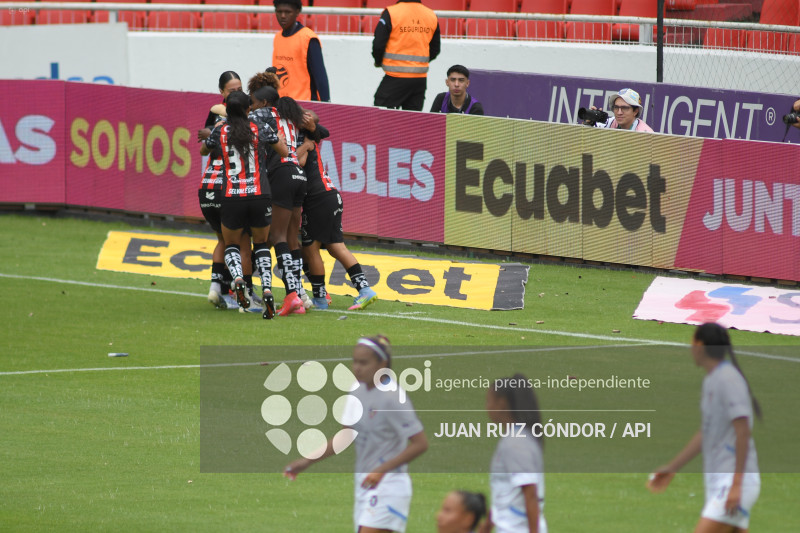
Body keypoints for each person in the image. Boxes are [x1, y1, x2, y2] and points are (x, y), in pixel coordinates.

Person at [285, 335, 429, 533]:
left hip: (389, 486)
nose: (357, 368)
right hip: (364, 485)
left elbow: (420, 443)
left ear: (382, 364)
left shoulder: (393, 398)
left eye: (364, 362)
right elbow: (346, 435)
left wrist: (381, 470)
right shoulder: (356, 390)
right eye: (355, 361)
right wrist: (307, 461)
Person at [649, 323, 761, 533]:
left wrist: (737, 485)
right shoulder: (713, 380)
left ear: (700, 345)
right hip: (722, 481)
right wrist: (672, 468)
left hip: (733, 483)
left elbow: (743, 431)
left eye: (692, 342)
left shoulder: (728, 380)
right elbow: (707, 433)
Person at [201, 90, 288, 319]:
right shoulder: (259, 128)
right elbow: (283, 151)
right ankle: (267, 288)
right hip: (260, 195)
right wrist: (277, 140)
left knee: (231, 244)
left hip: (232, 197)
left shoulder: (220, 130)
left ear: (227, 110)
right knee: (260, 244)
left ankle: (238, 277)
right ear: (249, 108)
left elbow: (204, 150)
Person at [297, 124, 378, 311]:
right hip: (331, 195)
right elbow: (322, 131)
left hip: (318, 199)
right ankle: (364, 289)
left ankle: (320, 298)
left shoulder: (302, 140)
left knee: (310, 250)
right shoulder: (310, 138)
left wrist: (299, 147)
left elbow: (299, 161)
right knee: (336, 247)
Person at [480, 374, 546, 533]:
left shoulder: (516, 443)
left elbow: (530, 493)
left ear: (502, 404)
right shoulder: (517, 439)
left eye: (489, 401)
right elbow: (505, 492)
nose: (487, 407)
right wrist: (487, 526)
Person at [372, 0, 441, 111]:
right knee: (412, 122)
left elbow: (378, 44)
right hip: (419, 80)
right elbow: (435, 48)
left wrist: (378, 61)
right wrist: (418, 64)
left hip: (395, 77)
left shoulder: (391, 13)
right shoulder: (431, 15)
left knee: (381, 116)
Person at [272, 0, 330, 102]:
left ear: (297, 12)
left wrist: (326, 105)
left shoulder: (308, 38)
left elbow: (320, 77)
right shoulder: (277, 37)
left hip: (304, 105)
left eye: (287, 12)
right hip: (282, 104)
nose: (283, 16)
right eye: (279, 11)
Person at [584, 87, 654, 132]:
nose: (619, 112)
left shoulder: (645, 133)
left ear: (635, 111)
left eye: (624, 108)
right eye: (616, 107)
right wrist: (589, 122)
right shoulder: (611, 122)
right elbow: (587, 135)